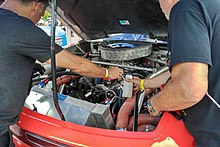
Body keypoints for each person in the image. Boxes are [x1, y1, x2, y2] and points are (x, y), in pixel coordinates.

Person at [0, 0, 123, 146]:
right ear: (37, 6)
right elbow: (77, 65)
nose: (39, 19)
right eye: (42, 15)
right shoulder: (20, 28)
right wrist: (108, 73)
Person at [128, 0, 220, 146]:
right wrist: (144, 83)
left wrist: (154, 104)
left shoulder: (185, 9)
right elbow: (185, 68)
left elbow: (189, 89)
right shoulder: (212, 5)